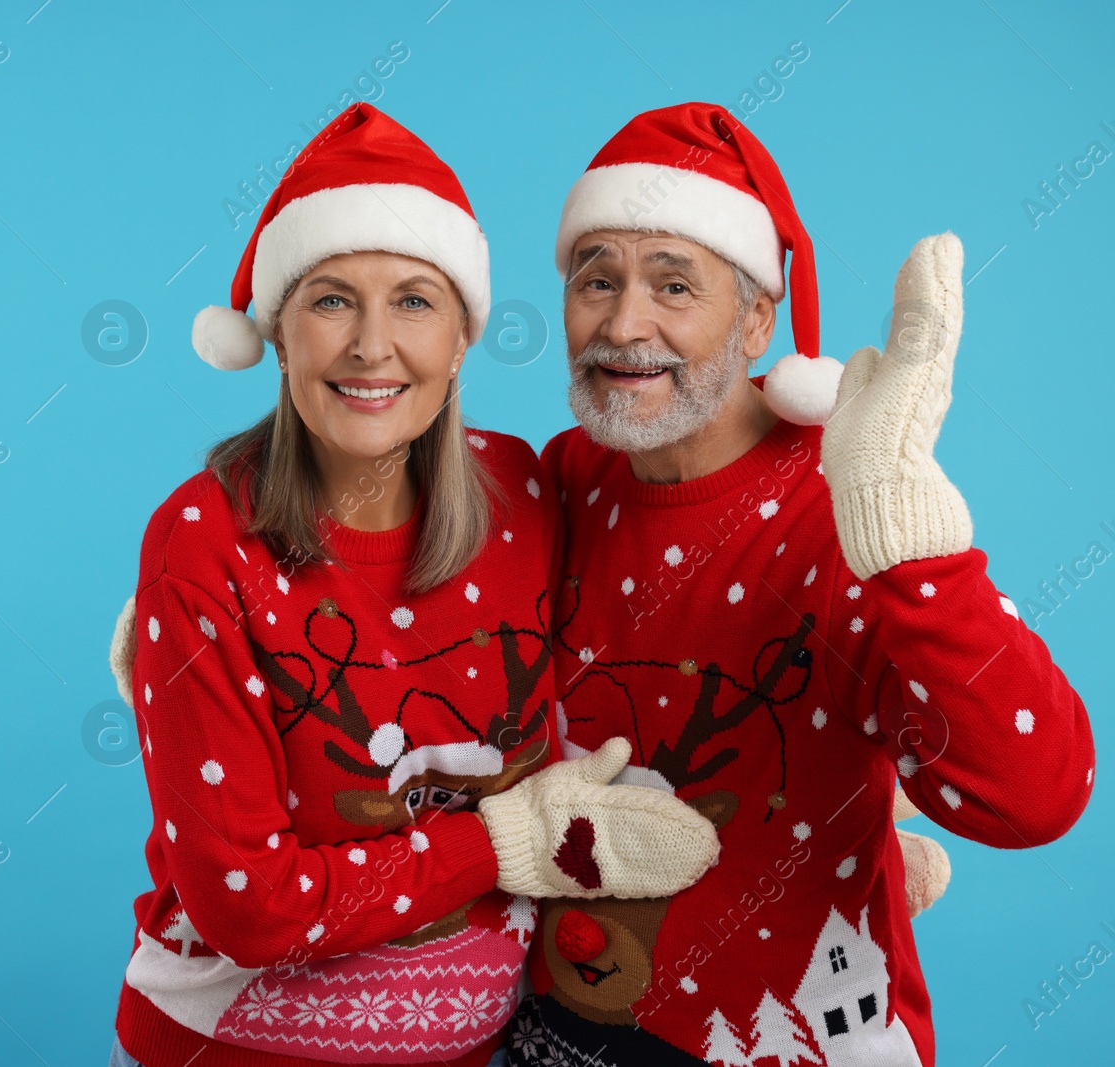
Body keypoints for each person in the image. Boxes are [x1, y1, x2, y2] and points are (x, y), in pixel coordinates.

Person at [105, 103, 722, 1067]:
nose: (370, 345)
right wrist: (505, 843)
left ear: (464, 335)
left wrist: (846, 832)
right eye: (331, 299)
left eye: (414, 301)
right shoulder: (204, 540)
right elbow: (248, 910)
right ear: (277, 330)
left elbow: (654, 641)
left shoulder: (525, 492)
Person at [511, 102, 1095, 1066]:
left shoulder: (848, 504)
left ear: (755, 320)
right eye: (596, 279)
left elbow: (1039, 797)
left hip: (789, 1039)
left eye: (674, 284)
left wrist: (914, 549)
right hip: (569, 1023)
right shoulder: (568, 476)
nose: (623, 323)